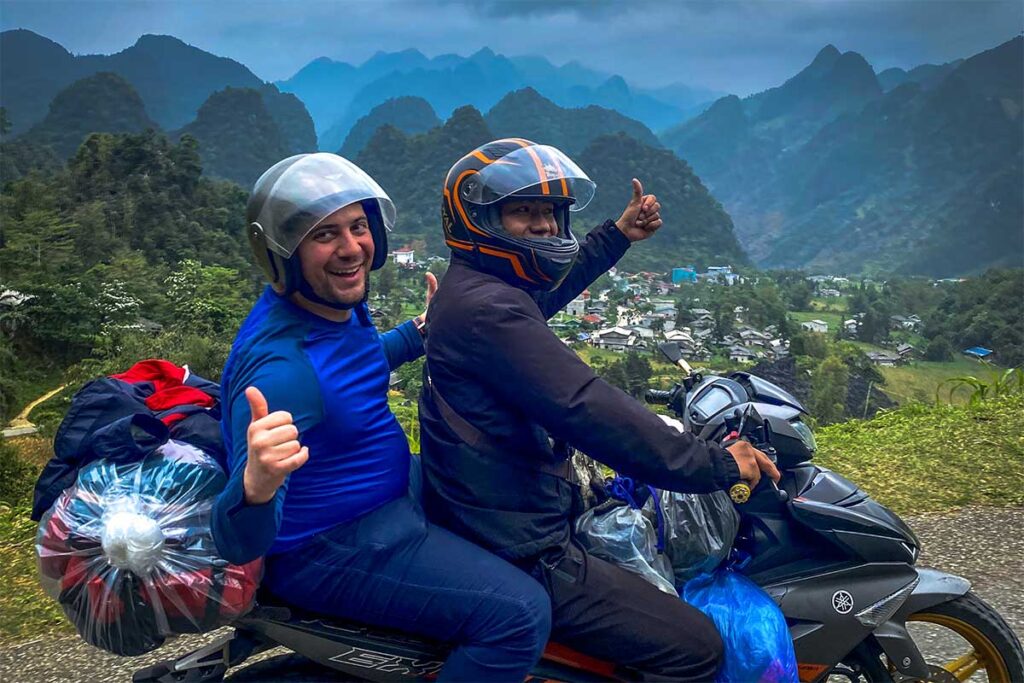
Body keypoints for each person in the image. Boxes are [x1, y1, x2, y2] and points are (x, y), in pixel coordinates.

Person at [419, 139, 780, 681]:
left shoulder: (483, 291)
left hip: (504, 513)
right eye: (524, 212)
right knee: (696, 646)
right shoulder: (488, 311)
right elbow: (586, 407)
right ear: (480, 220)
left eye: (550, 212)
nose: (543, 226)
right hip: (522, 544)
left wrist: (616, 236)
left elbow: (542, 300)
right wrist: (716, 463)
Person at [210, 153, 552, 682]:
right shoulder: (283, 372)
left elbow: (354, 366)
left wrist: (420, 330)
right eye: (325, 235)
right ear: (282, 252)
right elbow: (237, 544)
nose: (350, 249)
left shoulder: (328, 306)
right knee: (519, 615)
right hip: (333, 542)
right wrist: (256, 483)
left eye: (358, 227)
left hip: (387, 495)